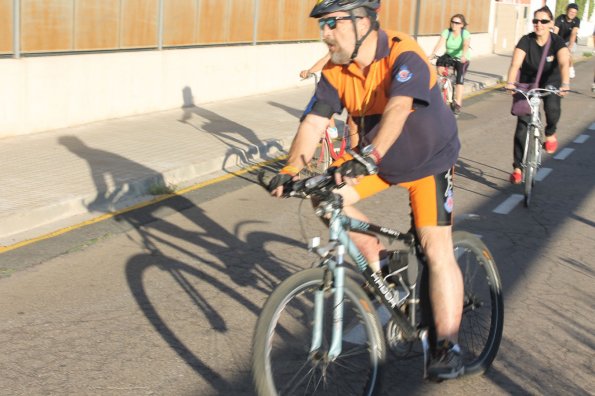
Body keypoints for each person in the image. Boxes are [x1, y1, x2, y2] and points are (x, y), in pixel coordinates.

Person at [268, 0, 464, 380]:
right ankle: (381, 261)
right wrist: (290, 169)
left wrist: (369, 155)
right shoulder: (335, 72)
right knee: (323, 196)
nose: (324, 34)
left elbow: (398, 107)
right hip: (377, 161)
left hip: (429, 162)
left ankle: (448, 345)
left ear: (361, 22)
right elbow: (312, 123)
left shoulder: (403, 53)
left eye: (330, 24)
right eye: (321, 26)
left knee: (435, 247)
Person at [505, 6, 570, 184]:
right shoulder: (526, 40)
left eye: (543, 21)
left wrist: (565, 83)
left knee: (552, 105)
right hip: (527, 82)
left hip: (551, 80)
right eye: (535, 21)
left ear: (551, 23)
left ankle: (550, 133)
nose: (539, 24)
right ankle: (517, 168)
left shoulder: (557, 42)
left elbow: (564, 63)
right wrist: (511, 82)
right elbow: (515, 64)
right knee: (522, 126)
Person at [429, 14, 471, 115]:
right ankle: (443, 84)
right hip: (449, 55)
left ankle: (458, 103)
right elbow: (440, 44)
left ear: (462, 25)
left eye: (457, 23)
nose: (454, 24)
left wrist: (463, 55)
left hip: (461, 58)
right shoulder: (447, 32)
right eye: (452, 22)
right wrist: (432, 54)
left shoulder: (465, 33)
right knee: (439, 63)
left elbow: (466, 45)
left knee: (459, 79)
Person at [553, 3, 580, 79]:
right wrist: (553, 43)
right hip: (560, 40)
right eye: (571, 11)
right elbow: (555, 32)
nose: (572, 14)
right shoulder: (560, 18)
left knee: (568, 54)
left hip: (571, 40)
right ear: (567, 10)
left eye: (574, 13)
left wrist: (570, 46)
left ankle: (570, 67)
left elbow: (574, 33)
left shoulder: (576, 20)